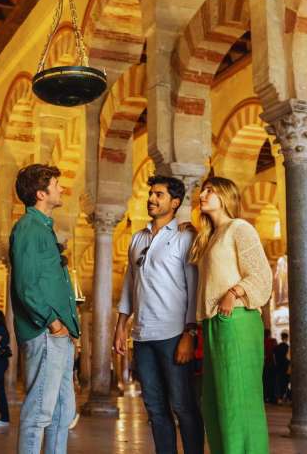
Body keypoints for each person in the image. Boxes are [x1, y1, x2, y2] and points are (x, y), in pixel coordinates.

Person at [113, 175, 203, 454]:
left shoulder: (185, 237)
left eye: (159, 195)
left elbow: (194, 288)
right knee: (154, 407)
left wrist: (189, 333)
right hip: (142, 336)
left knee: (182, 405)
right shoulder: (138, 238)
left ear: (175, 203)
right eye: (151, 194)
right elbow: (130, 284)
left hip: (174, 334)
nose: (151, 199)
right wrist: (121, 326)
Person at [188, 176, 272, 454]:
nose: (203, 195)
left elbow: (260, 274)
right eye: (203, 190)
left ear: (225, 195)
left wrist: (234, 292)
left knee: (238, 400)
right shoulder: (209, 236)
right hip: (215, 324)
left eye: (210, 190)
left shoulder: (240, 228)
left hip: (236, 319)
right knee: (216, 403)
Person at [9, 164, 80, 454]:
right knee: (40, 411)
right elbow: (26, 286)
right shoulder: (29, 228)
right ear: (41, 193)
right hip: (45, 332)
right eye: (56, 184)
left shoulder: (43, 228)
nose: (61, 188)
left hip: (58, 334)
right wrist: (52, 322)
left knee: (63, 412)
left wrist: (69, 328)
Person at [273, 332, 290, 404]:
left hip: (278, 367)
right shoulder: (287, 347)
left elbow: (274, 357)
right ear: (287, 338)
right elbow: (288, 358)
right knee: (286, 382)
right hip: (285, 367)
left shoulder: (277, 347)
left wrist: (276, 364)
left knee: (278, 382)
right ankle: (285, 398)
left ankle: (279, 399)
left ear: (281, 337)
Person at [263, 330, 278, 404]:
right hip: (272, 364)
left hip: (264, 365)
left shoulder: (261, 341)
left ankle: (265, 397)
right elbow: (276, 352)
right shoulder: (273, 341)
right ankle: (273, 397)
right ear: (269, 334)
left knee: (265, 381)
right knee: (273, 381)